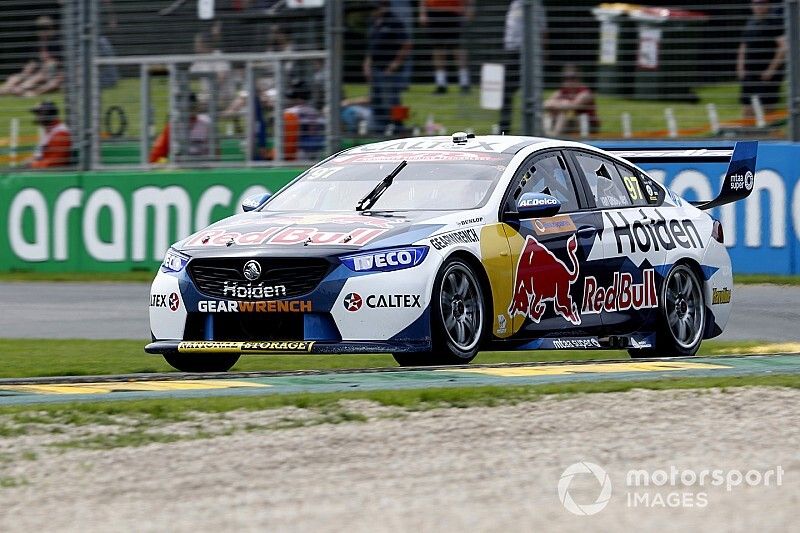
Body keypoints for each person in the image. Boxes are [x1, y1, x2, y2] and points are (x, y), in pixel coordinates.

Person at [363, 0, 412, 134]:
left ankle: (398, 127)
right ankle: (379, 128)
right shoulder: (374, 23)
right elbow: (372, 46)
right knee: (377, 99)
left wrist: (395, 64)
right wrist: (367, 63)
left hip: (389, 70)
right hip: (376, 68)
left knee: (391, 100)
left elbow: (406, 44)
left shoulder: (394, 22)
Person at [500, 0, 547, 134]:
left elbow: (543, 30)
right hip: (512, 51)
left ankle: (535, 128)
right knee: (507, 92)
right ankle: (504, 127)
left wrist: (542, 52)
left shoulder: (535, 5)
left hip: (528, 53)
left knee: (533, 93)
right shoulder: (513, 4)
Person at [737, 0, 787, 119]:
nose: (758, 6)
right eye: (756, 3)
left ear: (768, 5)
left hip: (767, 74)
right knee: (747, 106)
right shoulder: (750, 22)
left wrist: (771, 70)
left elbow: (783, 48)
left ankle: (767, 135)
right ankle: (748, 134)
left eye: (762, 3)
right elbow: (743, 46)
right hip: (750, 72)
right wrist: (740, 67)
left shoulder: (775, 22)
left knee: (767, 107)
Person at [0, 16, 63, 97]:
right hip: (38, 73)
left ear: (51, 28)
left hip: (52, 74)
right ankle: (7, 90)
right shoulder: (39, 44)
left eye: (45, 28)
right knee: (14, 78)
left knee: (41, 75)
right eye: (40, 28)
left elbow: (57, 64)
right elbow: (33, 62)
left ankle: (23, 89)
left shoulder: (57, 42)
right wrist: (25, 72)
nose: (42, 31)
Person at [420, 0, 473, 94]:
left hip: (454, 11)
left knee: (457, 48)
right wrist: (422, 12)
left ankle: (464, 83)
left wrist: (469, 8)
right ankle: (441, 84)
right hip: (433, 11)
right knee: (438, 49)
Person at [149, 94, 212, 163]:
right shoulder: (173, 126)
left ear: (196, 107)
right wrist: (166, 165)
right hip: (179, 169)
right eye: (183, 109)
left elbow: (215, 156)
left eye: (191, 108)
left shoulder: (206, 124)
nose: (188, 112)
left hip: (202, 168)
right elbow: (156, 157)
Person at [543, 64, 600, 137]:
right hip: (572, 122)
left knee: (563, 114)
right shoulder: (562, 91)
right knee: (549, 114)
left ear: (578, 79)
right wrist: (562, 103)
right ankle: (546, 135)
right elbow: (546, 104)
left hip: (588, 124)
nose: (569, 81)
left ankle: (554, 136)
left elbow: (573, 105)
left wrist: (560, 103)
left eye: (572, 78)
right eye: (566, 78)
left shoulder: (585, 93)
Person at [25, 101, 72, 169]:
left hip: (53, 172)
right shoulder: (48, 131)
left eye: (38, 114)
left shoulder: (61, 133)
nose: (37, 117)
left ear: (47, 115)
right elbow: (39, 155)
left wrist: (33, 165)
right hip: (42, 169)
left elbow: (54, 162)